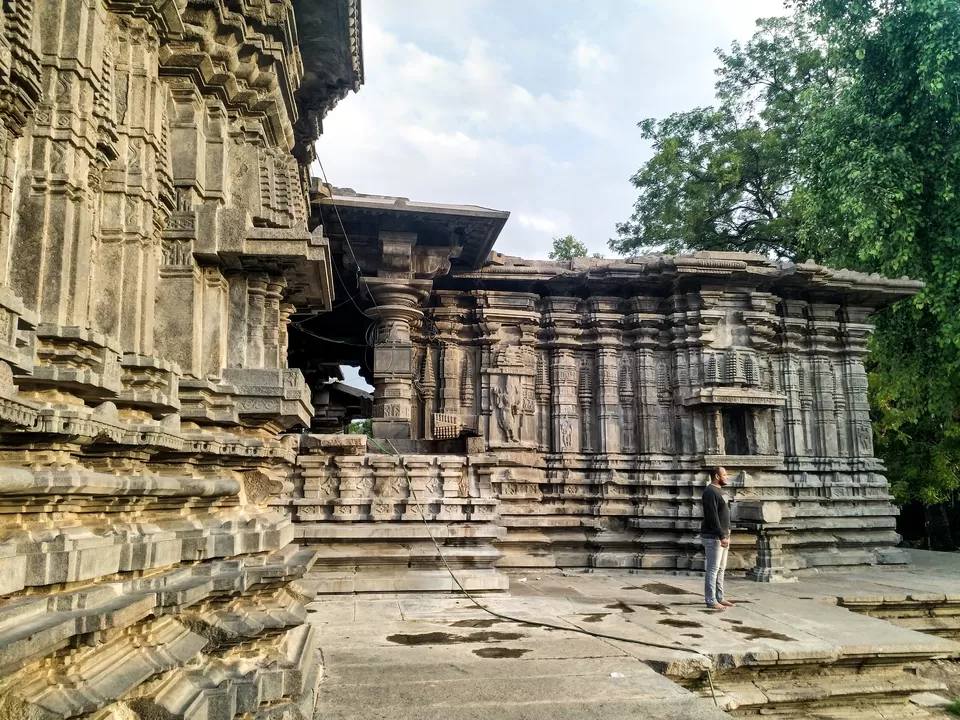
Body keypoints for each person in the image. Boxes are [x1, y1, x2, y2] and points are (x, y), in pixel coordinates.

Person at [700, 466, 734, 610]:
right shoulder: (709, 492)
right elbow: (712, 515)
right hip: (714, 537)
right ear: (716, 476)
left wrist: (728, 530)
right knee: (713, 569)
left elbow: (725, 512)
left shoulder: (721, 491)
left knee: (721, 568)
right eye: (725, 474)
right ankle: (711, 600)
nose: (727, 477)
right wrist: (721, 535)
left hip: (723, 535)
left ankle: (720, 597)